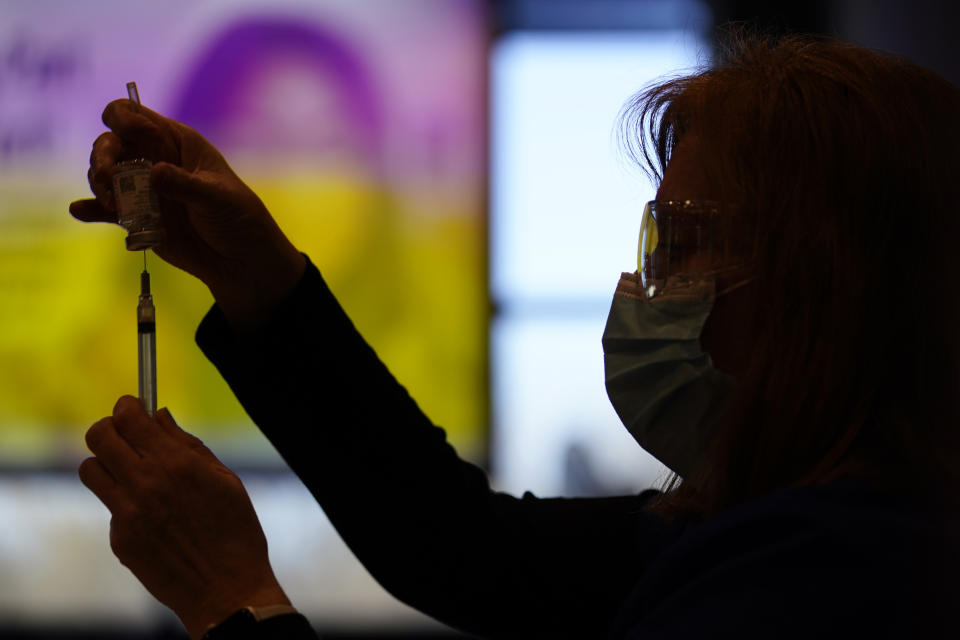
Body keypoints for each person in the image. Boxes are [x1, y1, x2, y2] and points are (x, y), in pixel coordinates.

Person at [70, 29, 960, 639]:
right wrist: (257, 275)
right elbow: (467, 550)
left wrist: (237, 606)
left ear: (821, 290)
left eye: (685, 244)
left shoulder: (835, 586)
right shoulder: (771, 531)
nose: (648, 290)